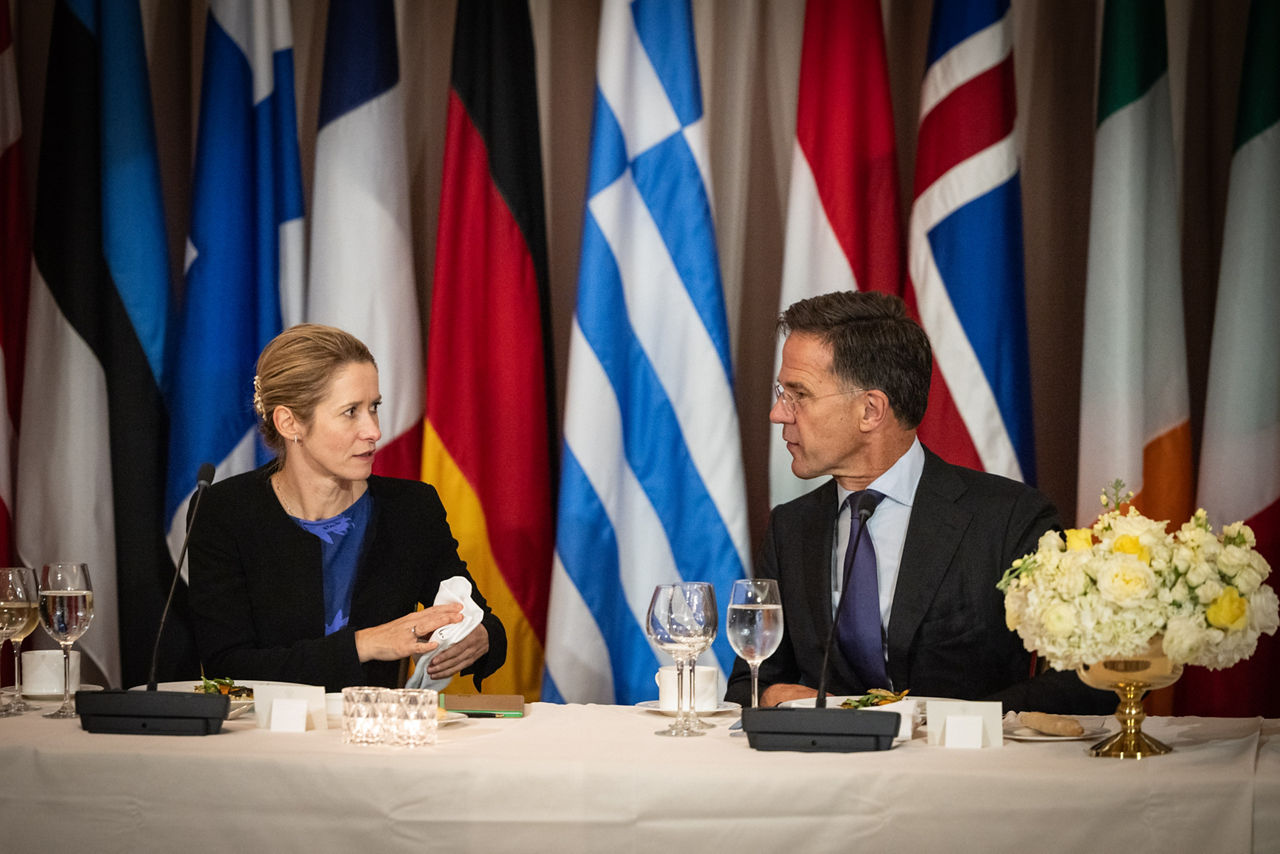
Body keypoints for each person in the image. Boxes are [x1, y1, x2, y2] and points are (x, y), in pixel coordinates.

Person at [724, 292, 1111, 713]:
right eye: (783, 392)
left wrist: (944, 721)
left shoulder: (1009, 519)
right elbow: (750, 681)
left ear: (871, 410)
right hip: (831, 772)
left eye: (798, 394)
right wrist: (770, 695)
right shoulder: (791, 528)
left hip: (965, 772)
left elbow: (1088, 680)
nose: (778, 413)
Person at [188, 324, 506, 692]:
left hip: (375, 740)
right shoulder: (224, 512)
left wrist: (479, 637)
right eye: (351, 412)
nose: (373, 430)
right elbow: (226, 667)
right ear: (290, 422)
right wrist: (365, 644)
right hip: (263, 739)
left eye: (374, 408)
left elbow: (485, 623)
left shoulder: (410, 509)